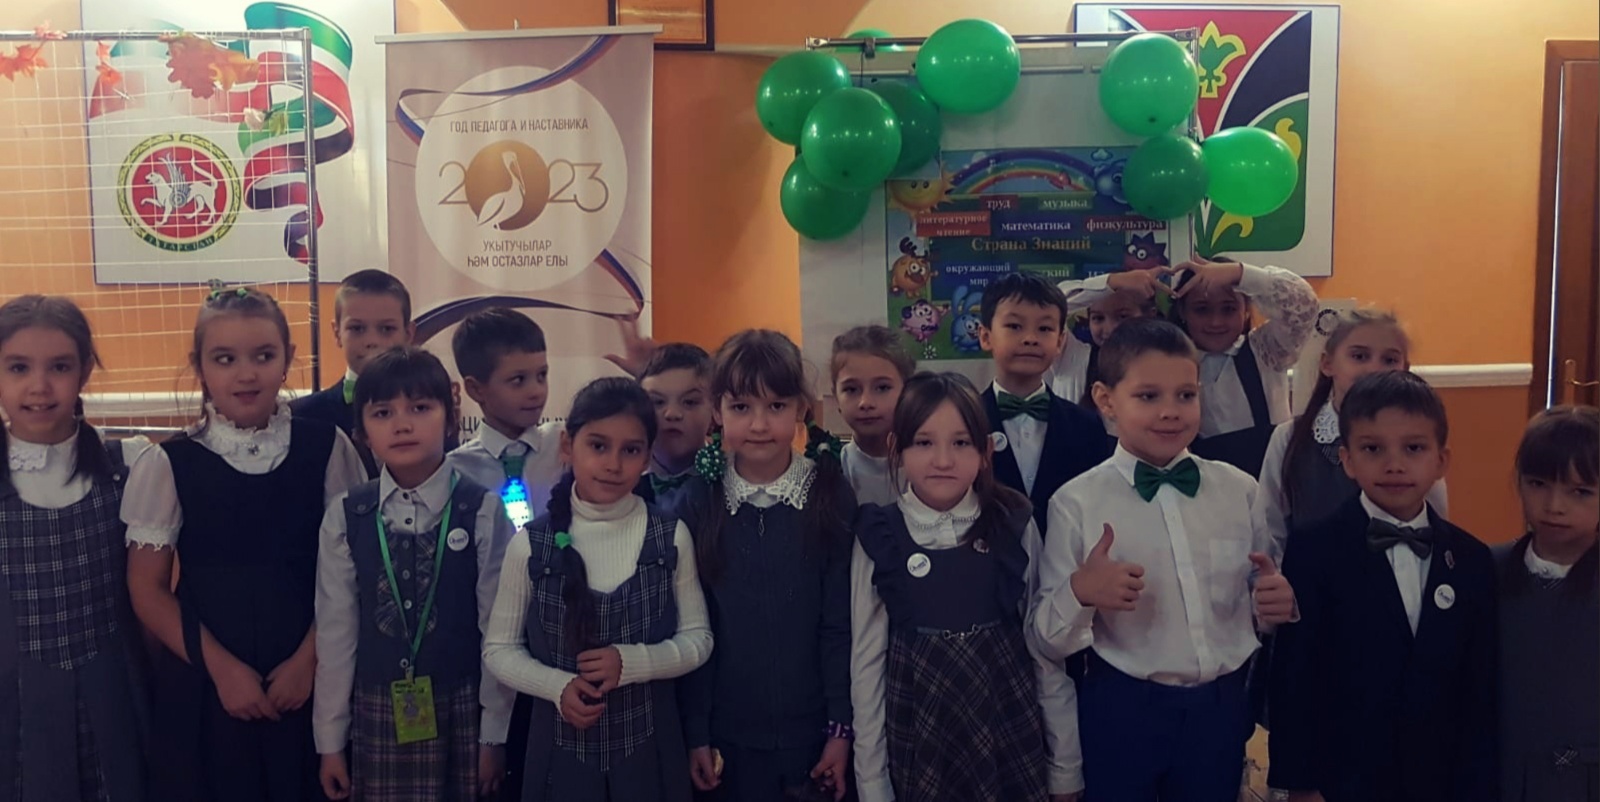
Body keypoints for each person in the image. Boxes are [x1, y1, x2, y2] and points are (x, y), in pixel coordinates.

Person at [1031, 318, 1294, 801]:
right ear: (1106, 401)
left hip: (1221, 709)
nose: (1170, 411)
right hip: (1122, 709)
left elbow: (1262, 595)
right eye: (1148, 396)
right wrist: (1080, 593)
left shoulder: (1239, 490)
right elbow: (1045, 639)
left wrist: (1275, 603)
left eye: (1185, 395)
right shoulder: (1075, 503)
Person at [124, 286, 366, 802]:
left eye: (263, 355)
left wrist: (310, 661)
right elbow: (147, 589)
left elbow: (354, 571)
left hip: (309, 680)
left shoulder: (328, 447)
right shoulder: (167, 463)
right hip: (207, 685)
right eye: (225, 358)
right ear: (199, 366)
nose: (246, 373)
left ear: (288, 359)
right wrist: (223, 671)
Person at [851, 371, 1081, 802]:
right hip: (919, 727)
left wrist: (1065, 766)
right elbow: (866, 666)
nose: (943, 460)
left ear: (985, 450)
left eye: (960, 443)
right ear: (897, 449)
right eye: (924, 442)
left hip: (1005, 718)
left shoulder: (1013, 522)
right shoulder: (878, 535)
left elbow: (1044, 650)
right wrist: (873, 785)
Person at [1268, 370, 1496, 802]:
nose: (1394, 465)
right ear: (1348, 460)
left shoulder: (1472, 559)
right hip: (1345, 775)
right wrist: (1301, 784)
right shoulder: (1313, 550)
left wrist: (1478, 783)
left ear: (1441, 461)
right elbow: (1296, 676)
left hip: (1441, 776)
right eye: (1373, 449)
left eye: (1414, 448)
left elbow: (1480, 686)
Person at [483, 377, 712, 800]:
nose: (613, 464)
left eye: (631, 450)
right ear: (568, 446)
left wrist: (633, 662)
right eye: (598, 445)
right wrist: (557, 686)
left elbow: (699, 640)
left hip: (652, 757)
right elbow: (499, 650)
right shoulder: (530, 546)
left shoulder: (671, 536)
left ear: (647, 456)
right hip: (557, 760)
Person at [312, 347, 515, 800]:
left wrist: (494, 734)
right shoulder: (346, 515)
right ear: (362, 432)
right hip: (376, 710)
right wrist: (330, 742)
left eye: (420, 408)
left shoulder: (482, 510)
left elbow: (497, 632)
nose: (402, 425)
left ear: (451, 418)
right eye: (383, 413)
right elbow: (336, 633)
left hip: (463, 708)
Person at [662, 329, 856, 802]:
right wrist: (697, 733)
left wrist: (840, 728)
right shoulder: (697, 500)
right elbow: (693, 626)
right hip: (727, 737)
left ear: (801, 409)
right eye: (741, 407)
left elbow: (840, 624)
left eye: (776, 406)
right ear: (717, 411)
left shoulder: (830, 492)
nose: (759, 424)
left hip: (814, 733)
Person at [0, 295, 151, 800]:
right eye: (18, 367)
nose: (39, 386)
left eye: (59, 367)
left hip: (116, 696)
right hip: (15, 707)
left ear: (85, 370)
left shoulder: (128, 465)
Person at [1255, 308, 1448, 558]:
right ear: (1328, 364)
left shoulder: (1418, 439)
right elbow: (1269, 528)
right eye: (1359, 356)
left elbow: (1435, 520)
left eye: (1389, 360)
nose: (1374, 368)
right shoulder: (1290, 438)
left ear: (1405, 369)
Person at [1495, 405, 1598, 802]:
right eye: (1538, 483)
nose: (1555, 505)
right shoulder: (1485, 570)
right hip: (1502, 780)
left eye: (1580, 491)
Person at [976, 273, 1112, 536]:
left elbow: (1098, 506)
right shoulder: (963, 421)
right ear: (986, 336)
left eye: (1044, 329)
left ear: (1060, 341)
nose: (1030, 338)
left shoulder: (1087, 425)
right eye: (1014, 326)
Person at [1169, 256, 1319, 478]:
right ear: (1182, 312)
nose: (1216, 322)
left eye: (1228, 309)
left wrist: (1241, 274)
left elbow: (1304, 305)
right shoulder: (1171, 365)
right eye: (1202, 310)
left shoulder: (1267, 350)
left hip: (1273, 483)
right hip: (1209, 485)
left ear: (1247, 309)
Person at [290, 269, 418, 477]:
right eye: (357, 329)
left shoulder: (430, 410)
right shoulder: (304, 416)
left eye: (386, 329)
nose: (371, 341)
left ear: (409, 334)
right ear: (337, 333)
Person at [1049, 268, 1169, 408]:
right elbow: (1051, 305)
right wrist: (1112, 281)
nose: (1110, 329)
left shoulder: (1165, 364)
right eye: (1098, 318)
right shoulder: (1071, 359)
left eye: (1123, 316)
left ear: (1149, 316)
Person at [831, 325, 915, 505]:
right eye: (851, 389)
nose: (866, 402)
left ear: (908, 391)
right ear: (836, 397)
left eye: (882, 388)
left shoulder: (930, 465)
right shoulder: (831, 469)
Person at [635, 343, 715, 504]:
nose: (672, 414)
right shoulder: (618, 477)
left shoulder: (735, 481)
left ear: (716, 412)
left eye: (689, 402)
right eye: (657, 402)